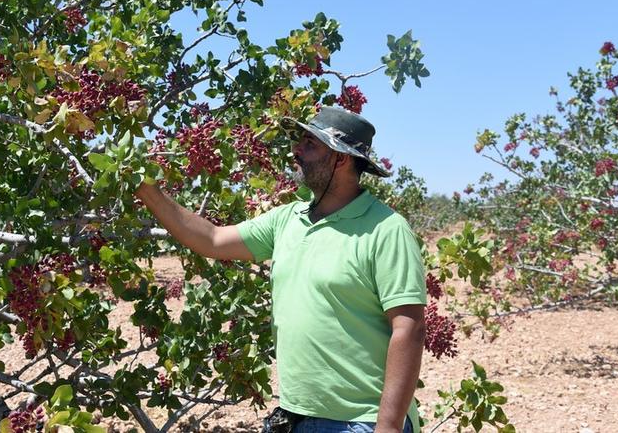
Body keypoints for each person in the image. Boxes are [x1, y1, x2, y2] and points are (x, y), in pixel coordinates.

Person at [136, 106, 426, 433]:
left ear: (341, 159)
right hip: (295, 416)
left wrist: (387, 427)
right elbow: (214, 240)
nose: (295, 151)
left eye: (309, 144)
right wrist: (147, 188)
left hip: (362, 421)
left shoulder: (387, 230)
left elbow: (409, 329)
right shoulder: (287, 219)